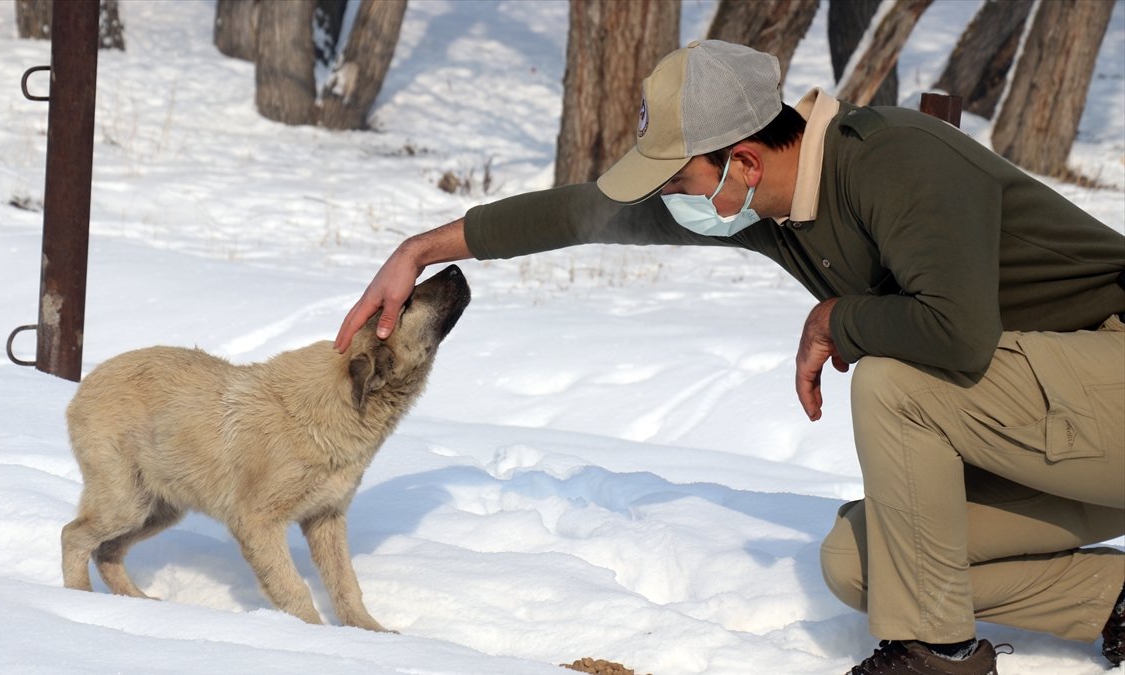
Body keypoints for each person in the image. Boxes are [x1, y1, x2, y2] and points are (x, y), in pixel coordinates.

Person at [335, 40, 1125, 674]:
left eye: (678, 178)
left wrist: (836, 317)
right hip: (1057, 430)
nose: (669, 199)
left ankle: (941, 658)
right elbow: (585, 212)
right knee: (864, 564)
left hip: (1107, 377)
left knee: (891, 382)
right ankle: (1110, 601)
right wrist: (421, 248)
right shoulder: (762, 209)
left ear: (742, 161)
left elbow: (955, 334)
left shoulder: (901, 164)